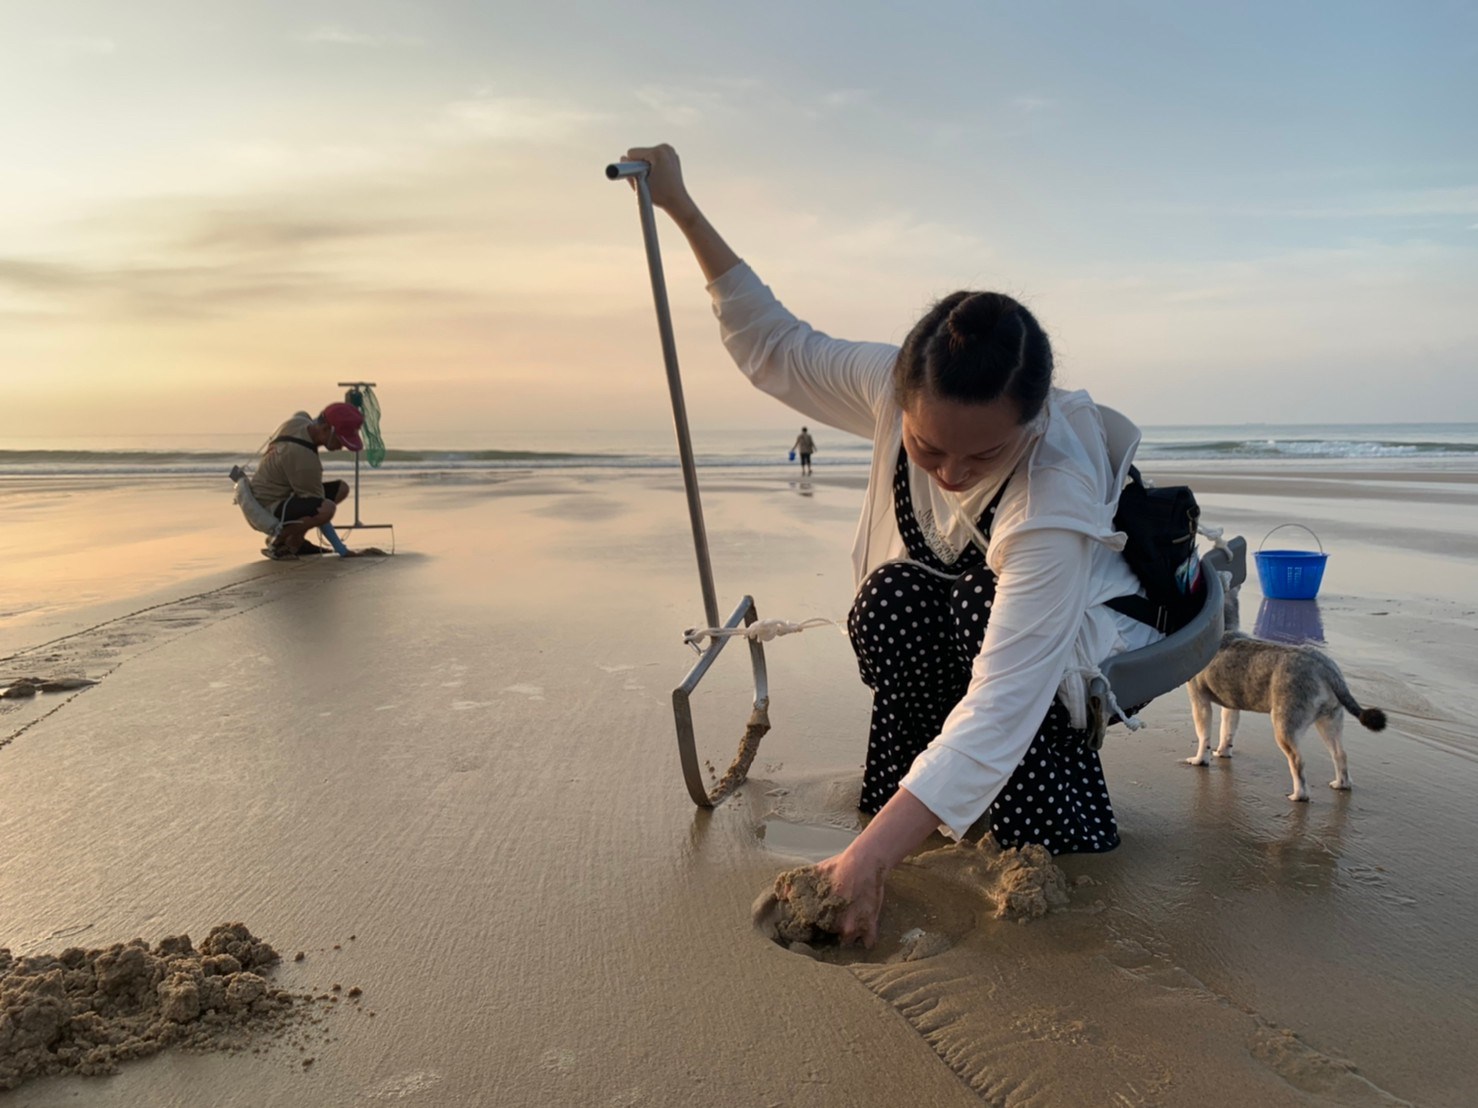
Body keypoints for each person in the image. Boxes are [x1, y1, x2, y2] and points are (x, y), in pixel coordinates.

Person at [627, 143, 1167, 947]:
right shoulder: (883, 385)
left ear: (1034, 422)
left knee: (985, 610)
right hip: (944, 648)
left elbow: (1003, 702)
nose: (951, 473)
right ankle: (913, 805)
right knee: (891, 600)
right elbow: (771, 344)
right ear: (902, 401)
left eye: (983, 456)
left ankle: (1023, 827)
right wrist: (680, 206)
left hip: (1056, 670)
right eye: (926, 447)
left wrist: (865, 861)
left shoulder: (1056, 492)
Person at [249, 403, 373, 558]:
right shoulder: (304, 460)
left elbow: (301, 413)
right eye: (341, 441)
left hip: (272, 493)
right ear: (326, 429)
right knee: (326, 509)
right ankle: (277, 541)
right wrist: (341, 549)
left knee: (341, 488)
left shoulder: (299, 423)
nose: (342, 447)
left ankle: (295, 542)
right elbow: (321, 512)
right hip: (266, 509)